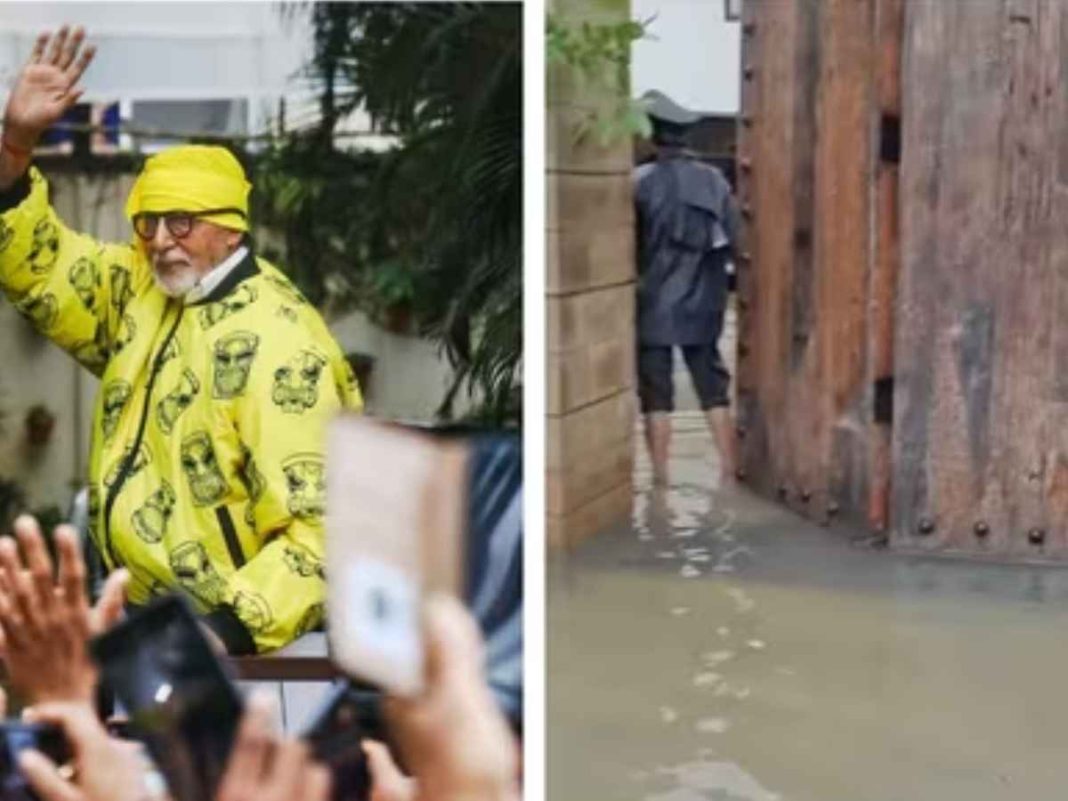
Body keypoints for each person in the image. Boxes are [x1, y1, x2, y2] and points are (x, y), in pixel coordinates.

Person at [0, 26, 362, 654]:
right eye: (148, 221)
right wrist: (15, 144)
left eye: (182, 222)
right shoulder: (147, 290)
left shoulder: (280, 344)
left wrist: (221, 636)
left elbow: (323, 530)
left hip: (253, 652)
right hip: (148, 628)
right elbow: (42, 265)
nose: (160, 239)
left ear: (229, 230)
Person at [633, 89, 740, 487]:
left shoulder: (638, 182)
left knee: (655, 394)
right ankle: (730, 471)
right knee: (713, 387)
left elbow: (626, 246)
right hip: (704, 300)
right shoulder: (714, 182)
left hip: (652, 302)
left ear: (651, 134)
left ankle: (660, 480)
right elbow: (734, 237)